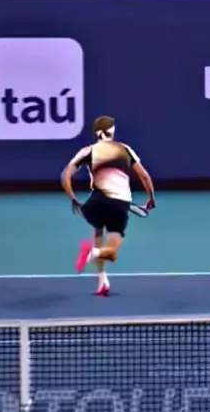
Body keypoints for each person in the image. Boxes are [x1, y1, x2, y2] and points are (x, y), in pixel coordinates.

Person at [61, 116, 156, 296]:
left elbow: (66, 175)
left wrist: (72, 198)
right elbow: (144, 176)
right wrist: (151, 198)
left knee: (98, 230)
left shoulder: (87, 151)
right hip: (119, 205)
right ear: (112, 131)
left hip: (95, 203)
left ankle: (102, 281)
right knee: (110, 252)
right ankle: (91, 253)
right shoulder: (124, 150)